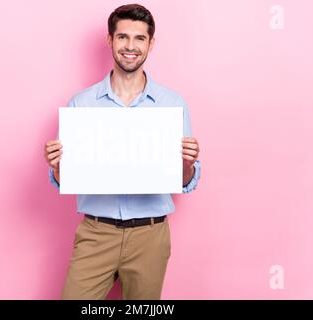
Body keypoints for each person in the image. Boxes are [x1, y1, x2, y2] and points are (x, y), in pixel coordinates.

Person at [44, 4, 201, 300]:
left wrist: (188, 163)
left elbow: (184, 180)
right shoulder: (82, 104)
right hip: (96, 232)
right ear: (110, 40)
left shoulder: (172, 103)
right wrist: (55, 166)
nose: (130, 46)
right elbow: (67, 178)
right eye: (123, 37)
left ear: (151, 44)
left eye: (139, 38)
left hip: (150, 235)